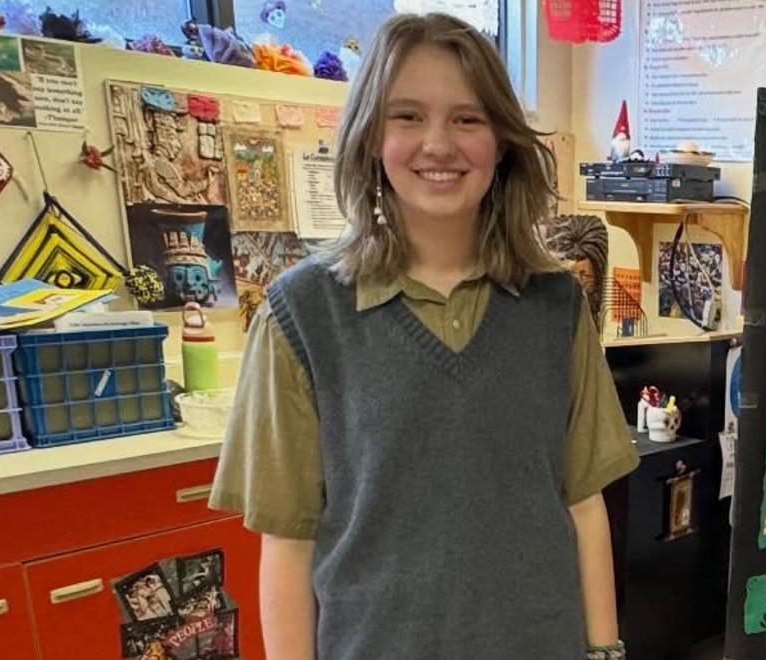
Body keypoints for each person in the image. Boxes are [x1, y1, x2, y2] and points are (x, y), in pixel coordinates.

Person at [209, 13, 639, 660]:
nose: (438, 144)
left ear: (502, 142)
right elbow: (288, 544)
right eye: (406, 116)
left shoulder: (556, 307)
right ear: (369, 137)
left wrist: (605, 651)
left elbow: (583, 504)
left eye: (467, 119)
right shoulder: (302, 314)